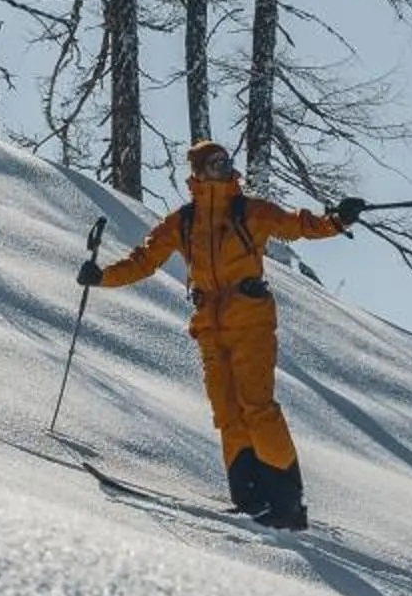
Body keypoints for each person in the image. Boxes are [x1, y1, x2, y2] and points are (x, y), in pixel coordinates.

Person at [77, 138, 361, 530]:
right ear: (197, 171)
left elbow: (298, 225)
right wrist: (102, 277)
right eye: (214, 162)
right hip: (209, 326)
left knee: (257, 408)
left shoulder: (251, 211)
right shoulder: (184, 221)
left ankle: (287, 506)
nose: (223, 166)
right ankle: (250, 500)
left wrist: (338, 220)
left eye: (226, 160)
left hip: (251, 319)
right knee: (228, 412)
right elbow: (144, 260)